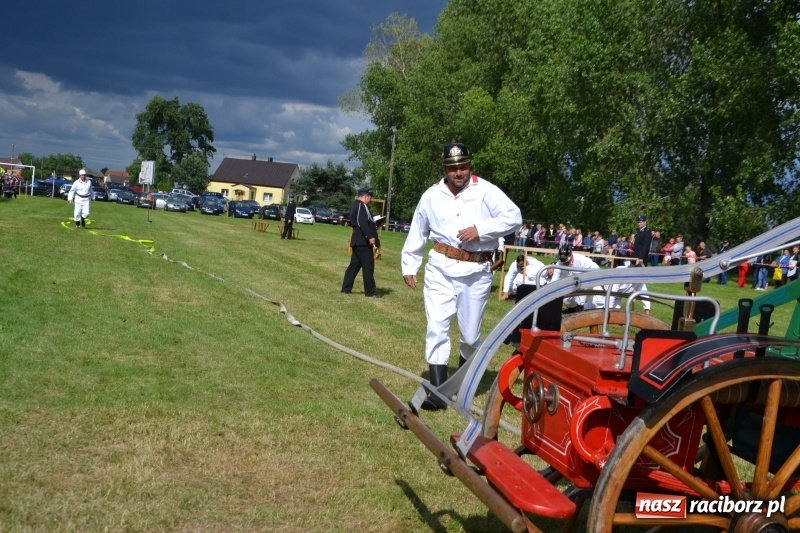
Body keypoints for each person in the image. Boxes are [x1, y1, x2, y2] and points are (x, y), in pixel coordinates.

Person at [401, 141, 521, 410]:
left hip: (476, 271)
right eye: (453, 167)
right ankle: (438, 393)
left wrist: (481, 229)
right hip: (440, 268)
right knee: (436, 327)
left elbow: (514, 217)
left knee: (470, 335)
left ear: (469, 166)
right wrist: (410, 265)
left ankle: (463, 385)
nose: (459, 172)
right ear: (444, 169)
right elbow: (418, 229)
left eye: (463, 166)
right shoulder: (431, 196)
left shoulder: (485, 190)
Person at [341, 188, 381, 298]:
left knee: (354, 266)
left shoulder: (360, 206)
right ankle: (370, 292)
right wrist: (369, 236)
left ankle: (346, 288)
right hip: (362, 241)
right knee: (368, 267)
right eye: (370, 197)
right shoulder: (360, 206)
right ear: (365, 196)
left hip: (358, 241)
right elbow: (361, 222)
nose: (370, 200)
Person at [552, 245, 604, 311]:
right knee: (566, 299)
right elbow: (554, 279)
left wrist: (588, 279)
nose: (564, 263)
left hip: (582, 281)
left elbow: (596, 268)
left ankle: (580, 308)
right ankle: (572, 309)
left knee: (580, 300)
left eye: (566, 261)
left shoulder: (581, 260)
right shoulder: (559, 264)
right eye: (563, 261)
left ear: (571, 256)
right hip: (569, 283)